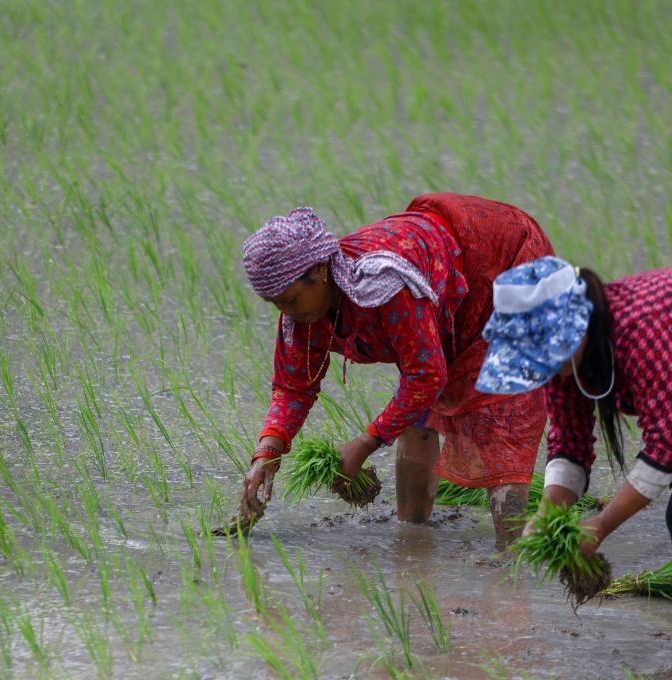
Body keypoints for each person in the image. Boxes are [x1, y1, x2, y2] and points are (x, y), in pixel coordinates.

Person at [474, 255, 672, 653]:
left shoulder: (639, 327)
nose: (543, 366)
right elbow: (570, 446)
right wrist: (547, 515)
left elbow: (666, 449)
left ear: (576, 327)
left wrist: (599, 525)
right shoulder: (568, 366)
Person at [236, 193, 554, 550]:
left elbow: (426, 376)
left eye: (291, 299)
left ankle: (511, 556)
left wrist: (364, 443)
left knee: (499, 409)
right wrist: (267, 453)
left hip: (503, 262)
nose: (286, 311)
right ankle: (414, 539)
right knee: (420, 406)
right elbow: (293, 387)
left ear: (321, 271)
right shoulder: (301, 317)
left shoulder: (384, 285)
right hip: (443, 275)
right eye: (276, 304)